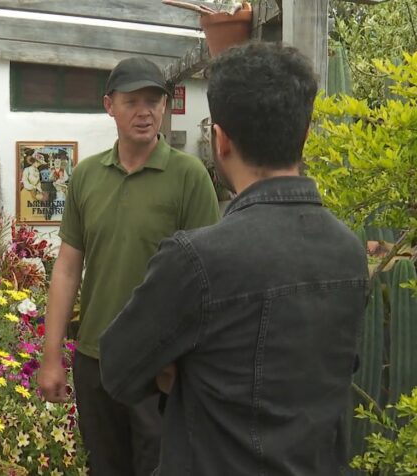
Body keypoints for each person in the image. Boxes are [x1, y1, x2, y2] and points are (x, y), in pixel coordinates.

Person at [99, 42, 369, 476]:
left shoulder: (196, 259)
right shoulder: (348, 251)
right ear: (305, 134)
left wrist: (182, 371)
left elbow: (117, 369)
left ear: (220, 140)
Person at [37, 56, 220, 475]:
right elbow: (67, 268)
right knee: (105, 467)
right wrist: (52, 356)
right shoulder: (85, 176)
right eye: (132, 101)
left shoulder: (189, 176)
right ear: (109, 105)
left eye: (154, 101)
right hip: (95, 361)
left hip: (161, 366)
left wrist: (184, 362)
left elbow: (208, 278)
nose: (145, 111)